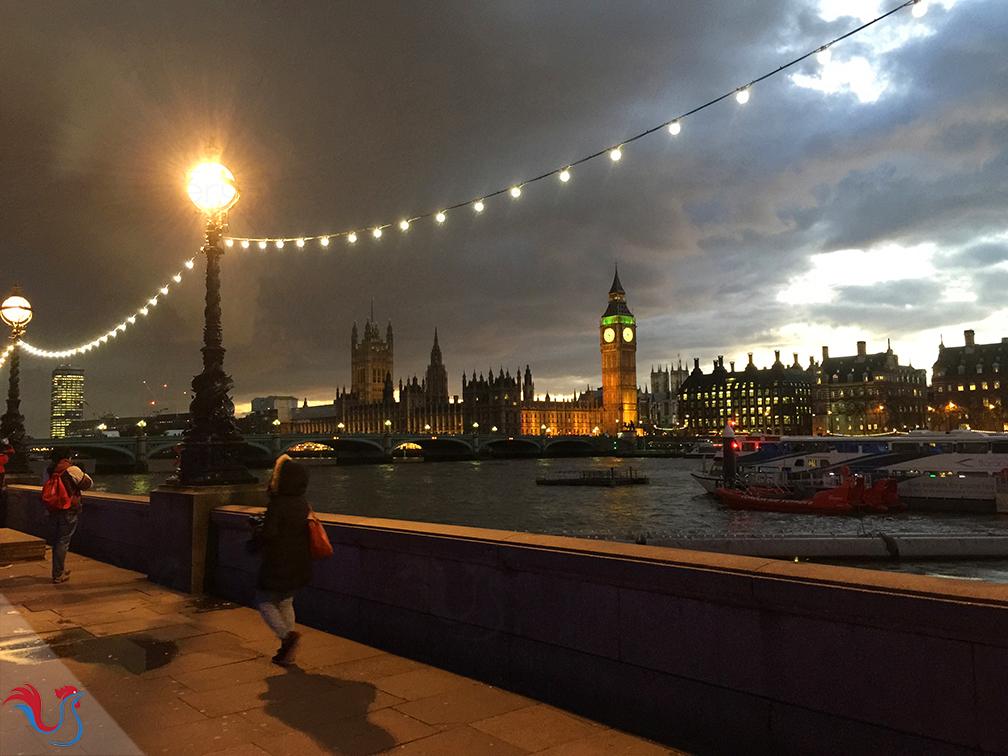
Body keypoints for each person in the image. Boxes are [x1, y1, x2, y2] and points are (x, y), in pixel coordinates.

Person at [254, 454, 312, 666]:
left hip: (278, 560)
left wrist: (257, 530)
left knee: (263, 601)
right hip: (299, 560)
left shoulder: (278, 503)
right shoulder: (302, 503)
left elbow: (269, 534)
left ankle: (287, 637)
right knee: (286, 601)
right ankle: (287, 650)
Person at [42, 447, 92, 584]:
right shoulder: (71, 470)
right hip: (68, 511)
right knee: (63, 542)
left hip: (52, 511)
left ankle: (59, 570)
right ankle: (58, 574)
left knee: (56, 542)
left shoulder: (48, 471)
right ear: (67, 458)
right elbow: (88, 484)